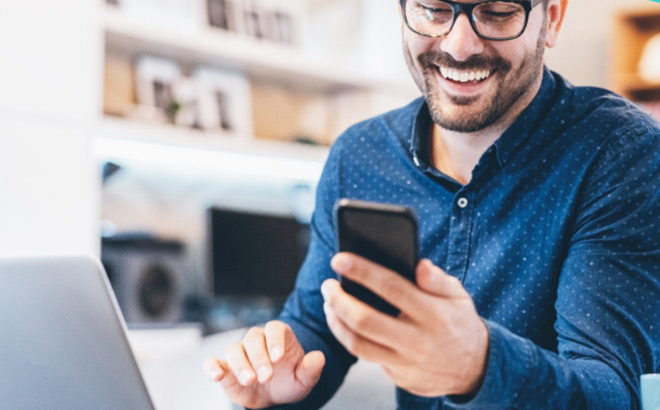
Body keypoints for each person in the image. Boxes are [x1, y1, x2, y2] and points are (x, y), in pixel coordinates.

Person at [204, 0, 660, 408]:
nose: (459, 45)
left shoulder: (618, 153)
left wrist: (480, 365)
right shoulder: (360, 156)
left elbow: (613, 392)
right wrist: (275, 382)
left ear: (552, 18)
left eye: (498, 12)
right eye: (434, 9)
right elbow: (317, 325)